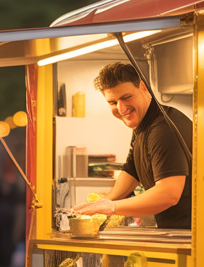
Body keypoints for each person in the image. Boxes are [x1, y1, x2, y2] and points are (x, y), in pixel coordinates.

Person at [70, 62, 194, 228]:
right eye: (112, 102)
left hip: (192, 233)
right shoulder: (142, 125)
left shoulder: (163, 128)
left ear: (143, 87)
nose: (121, 108)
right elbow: (132, 170)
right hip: (173, 230)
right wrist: (103, 203)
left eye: (126, 97)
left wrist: (112, 207)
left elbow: (169, 194)